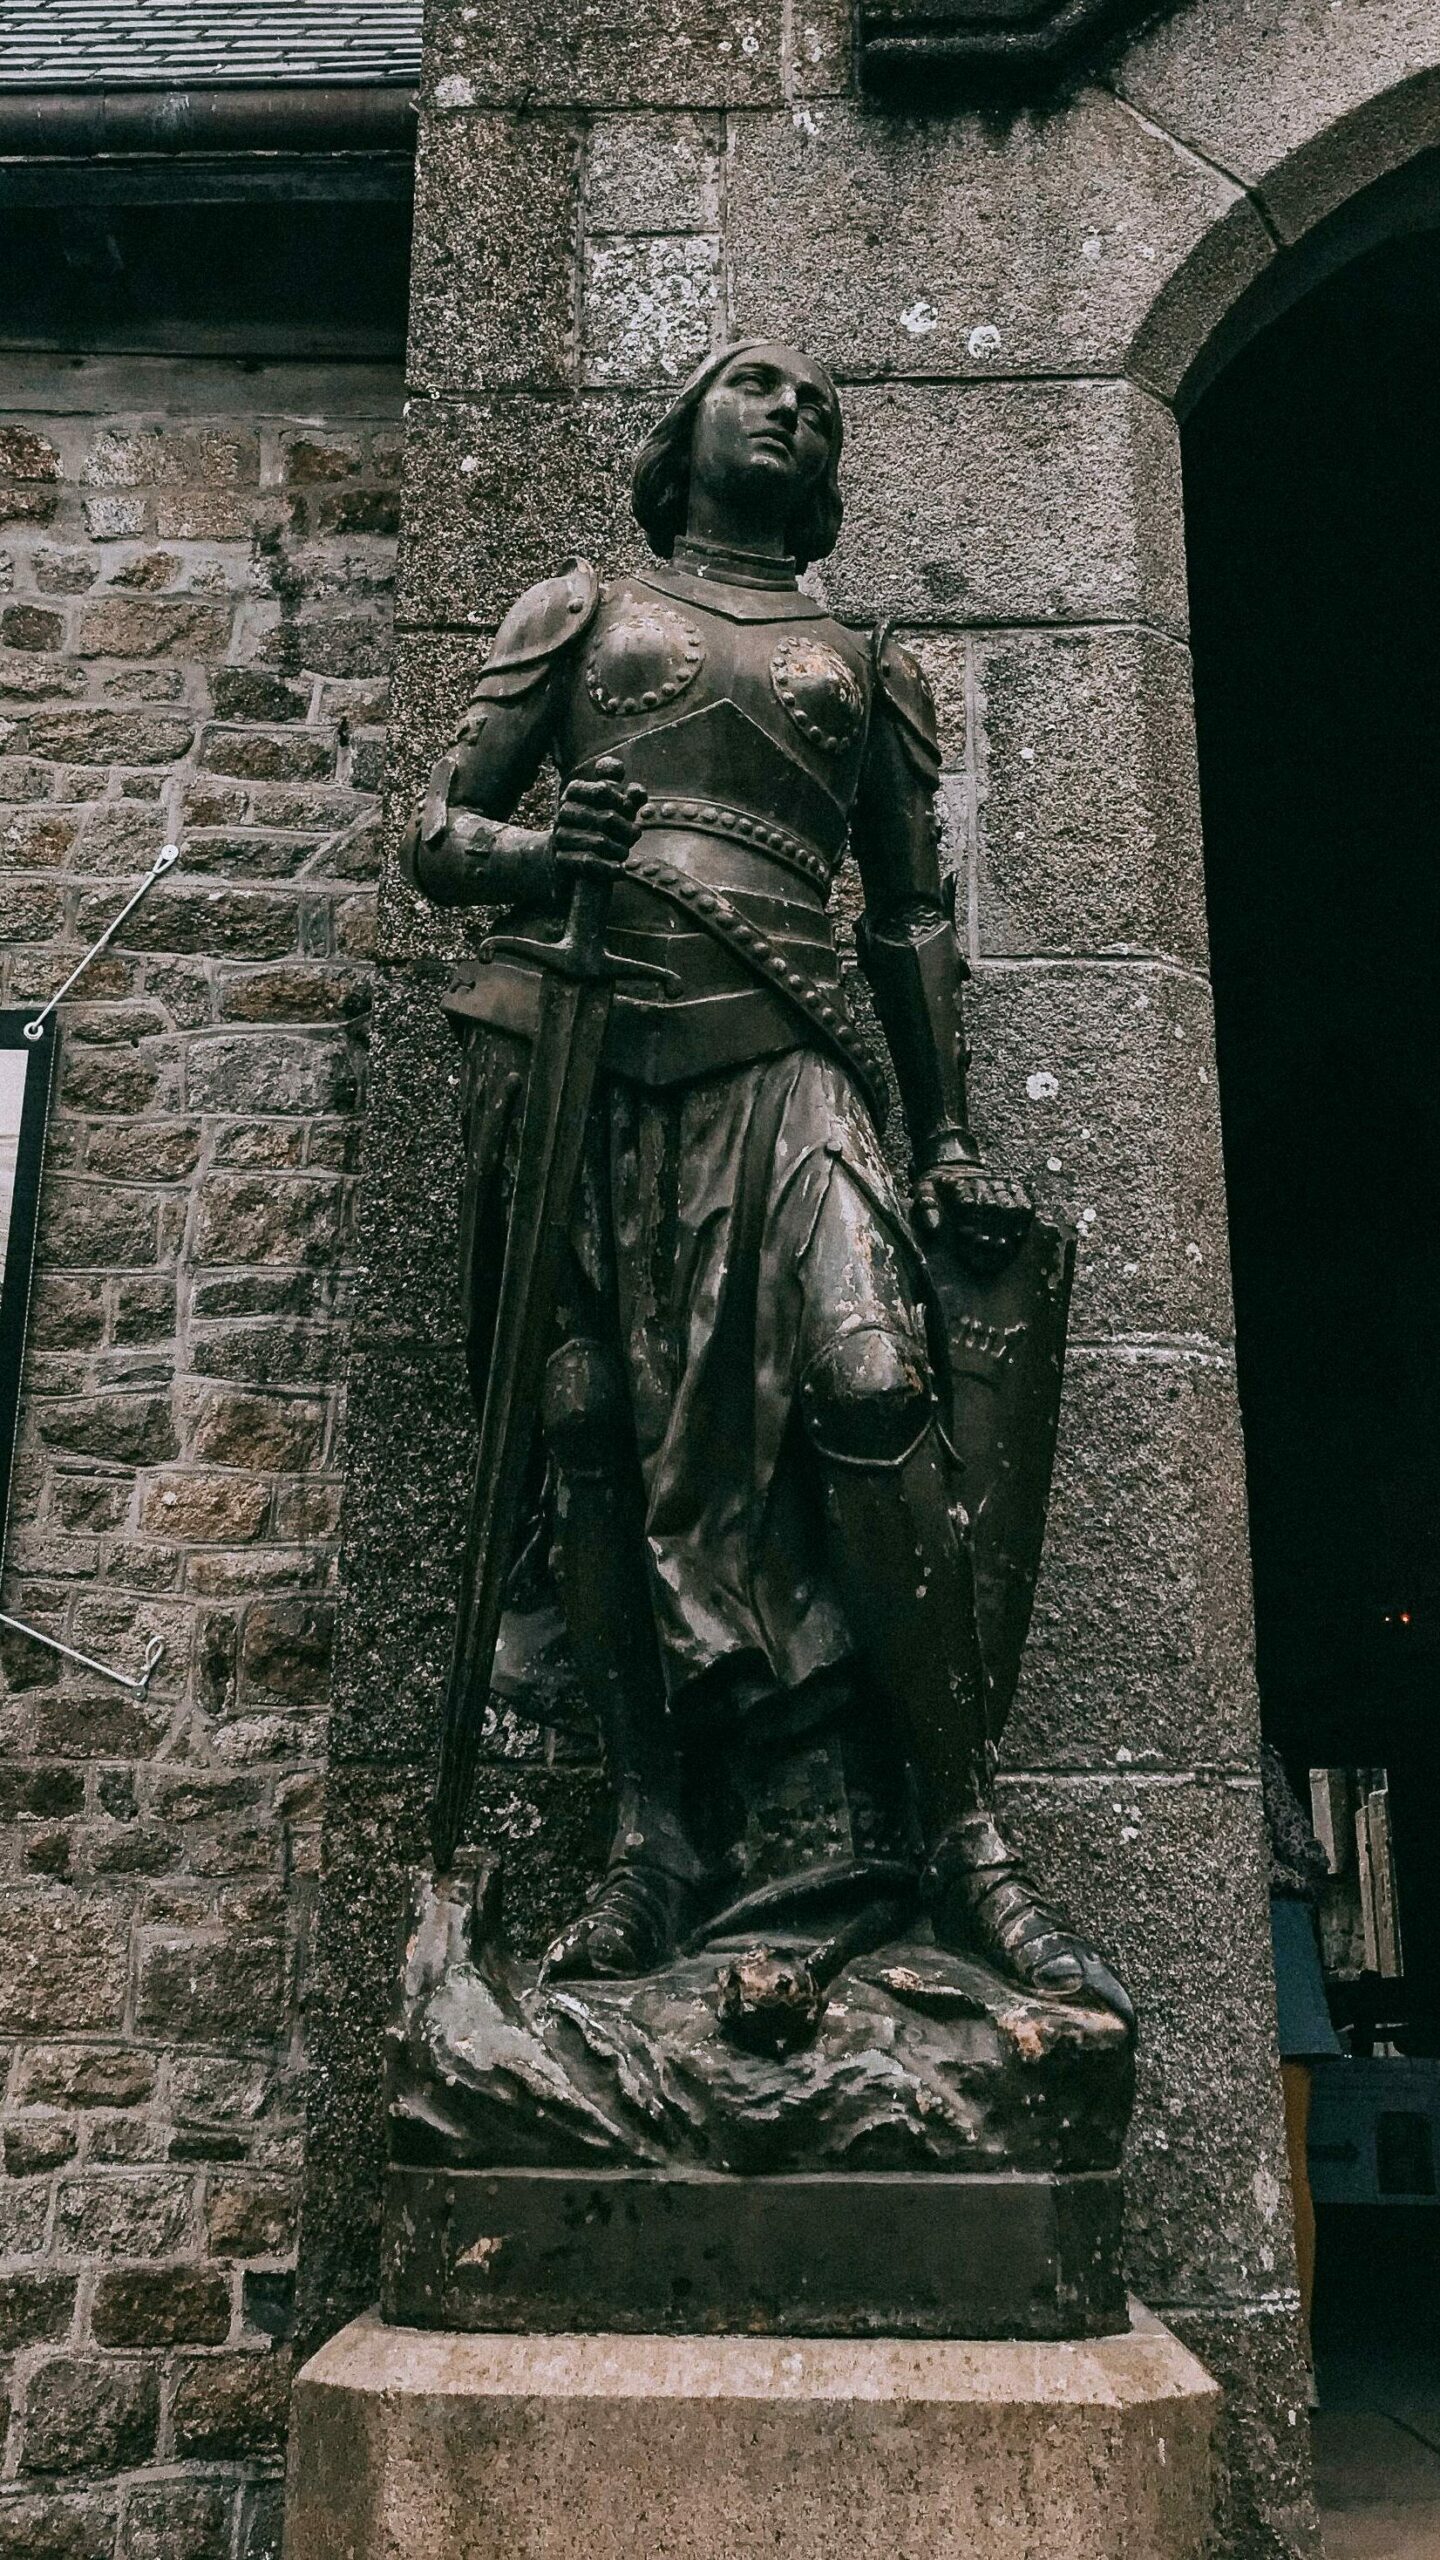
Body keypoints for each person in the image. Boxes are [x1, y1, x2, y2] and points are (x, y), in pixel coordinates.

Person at [402, 339, 1126, 2020]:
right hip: (585, 1061)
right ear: (683, 435)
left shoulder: (863, 663)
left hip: (791, 1058)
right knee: (583, 1424)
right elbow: (439, 834)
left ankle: (965, 1836)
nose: (790, 406)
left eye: (817, 399)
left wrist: (943, 1137)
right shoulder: (577, 612)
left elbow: (911, 921)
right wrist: (534, 850)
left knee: (873, 1378)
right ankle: (647, 1843)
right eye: (754, 384)